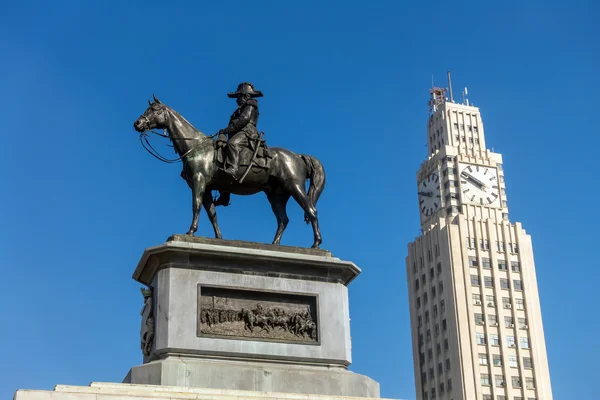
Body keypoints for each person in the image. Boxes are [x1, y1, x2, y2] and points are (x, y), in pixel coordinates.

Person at [217, 82, 263, 180]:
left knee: (232, 144)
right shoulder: (239, 109)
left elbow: (244, 119)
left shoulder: (251, 103)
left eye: (239, 96)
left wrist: (226, 130)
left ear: (245, 96)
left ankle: (233, 169)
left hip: (247, 132)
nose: (237, 99)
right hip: (239, 131)